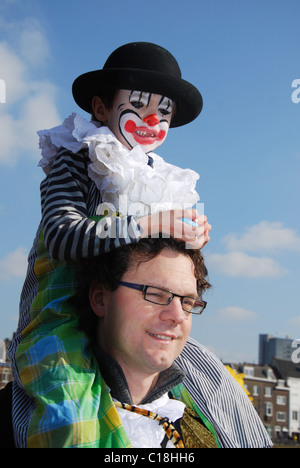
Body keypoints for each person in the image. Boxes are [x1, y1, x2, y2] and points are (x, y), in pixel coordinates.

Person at [9, 42, 211, 448]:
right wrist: (150, 222)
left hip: (130, 313)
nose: (153, 120)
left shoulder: (163, 178)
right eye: (138, 106)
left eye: (164, 112)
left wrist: (193, 235)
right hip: (60, 312)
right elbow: (64, 237)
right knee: (72, 420)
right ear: (101, 110)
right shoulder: (77, 158)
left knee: (208, 395)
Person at [70, 236, 272, 448]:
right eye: (155, 294)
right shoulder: (48, 411)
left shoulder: (214, 402)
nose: (177, 315)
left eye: (187, 302)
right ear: (100, 298)